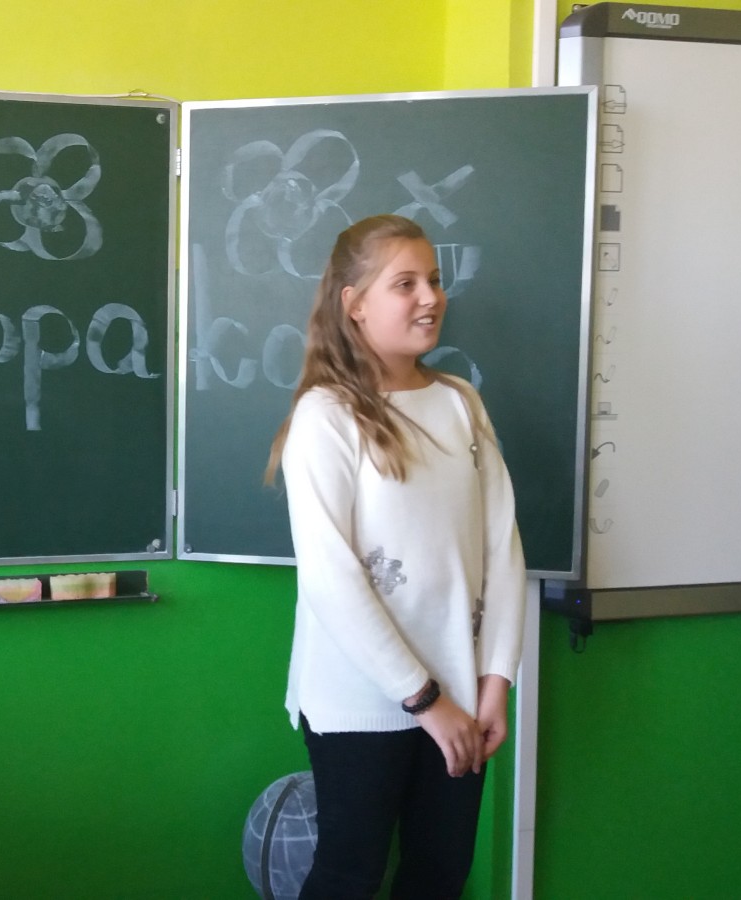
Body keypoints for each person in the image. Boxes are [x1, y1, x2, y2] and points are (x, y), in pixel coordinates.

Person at [265, 214, 526, 899]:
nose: (431, 297)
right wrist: (425, 700)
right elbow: (331, 579)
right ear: (354, 303)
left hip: (462, 696)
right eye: (404, 283)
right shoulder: (326, 416)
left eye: (433, 280)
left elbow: (502, 548)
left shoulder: (460, 403)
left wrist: (495, 683)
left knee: (440, 874)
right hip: (363, 700)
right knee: (349, 875)